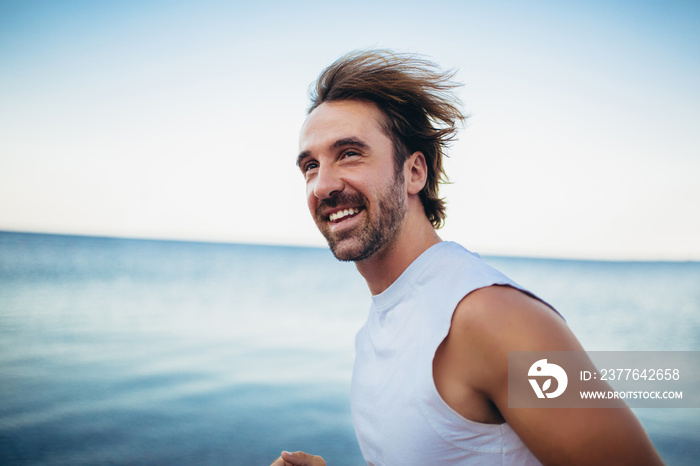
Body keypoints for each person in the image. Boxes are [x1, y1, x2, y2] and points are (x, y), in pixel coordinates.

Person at [272, 50, 662, 466]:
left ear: (414, 173)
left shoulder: (491, 317)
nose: (322, 185)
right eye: (310, 165)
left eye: (350, 153)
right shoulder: (378, 326)